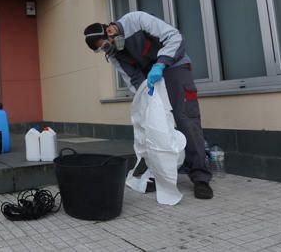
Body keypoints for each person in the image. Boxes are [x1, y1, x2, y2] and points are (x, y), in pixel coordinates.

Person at [83, 11, 213, 200]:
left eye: (104, 45)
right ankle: (160, 173)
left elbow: (174, 37)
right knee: (154, 125)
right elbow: (132, 77)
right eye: (101, 49)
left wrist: (161, 64)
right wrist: (145, 98)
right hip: (150, 80)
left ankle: (200, 178)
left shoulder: (136, 20)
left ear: (110, 31)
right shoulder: (114, 55)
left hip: (174, 65)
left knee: (185, 118)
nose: (107, 50)